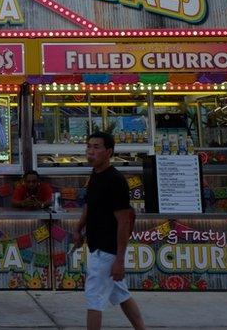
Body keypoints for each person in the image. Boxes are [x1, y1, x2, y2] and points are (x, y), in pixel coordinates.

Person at [73, 132, 146, 330]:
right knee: (121, 294)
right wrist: (79, 228)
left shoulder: (115, 180)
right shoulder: (95, 175)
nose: (90, 151)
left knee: (94, 301)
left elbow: (124, 222)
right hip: (96, 244)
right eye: (89, 146)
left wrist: (119, 260)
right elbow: (90, 204)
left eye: (96, 147)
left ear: (109, 152)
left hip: (106, 250)